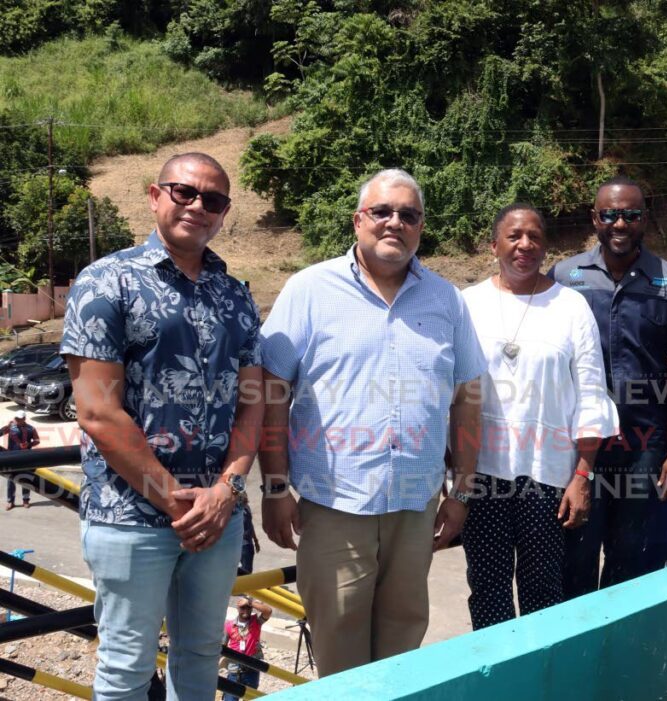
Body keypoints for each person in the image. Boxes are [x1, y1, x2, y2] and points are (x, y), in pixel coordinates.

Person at [258, 168, 486, 675]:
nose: (394, 223)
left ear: (421, 227)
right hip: (335, 507)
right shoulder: (309, 290)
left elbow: (468, 398)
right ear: (357, 220)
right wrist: (275, 488)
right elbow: (269, 392)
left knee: (402, 650)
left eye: (408, 214)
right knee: (340, 658)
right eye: (381, 211)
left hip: (415, 509)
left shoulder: (446, 300)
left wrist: (462, 491)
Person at [62, 152, 264, 700]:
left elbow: (253, 403)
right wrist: (178, 501)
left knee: (200, 659)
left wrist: (228, 490)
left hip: (217, 519)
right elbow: (98, 411)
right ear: (155, 196)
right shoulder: (106, 282)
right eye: (184, 192)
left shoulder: (235, 294)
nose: (198, 206)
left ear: (225, 212)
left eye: (214, 199)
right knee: (126, 670)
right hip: (130, 517)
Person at [460, 204, 618, 629]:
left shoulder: (571, 307)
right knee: (488, 590)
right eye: (513, 236)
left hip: (549, 477)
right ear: (494, 245)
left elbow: (590, 394)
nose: (524, 245)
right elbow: (450, 392)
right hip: (482, 477)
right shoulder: (466, 304)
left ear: (545, 246)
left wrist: (582, 476)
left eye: (534, 236)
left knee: (544, 592)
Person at [549, 176, 667, 596]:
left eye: (631, 214)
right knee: (575, 554)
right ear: (594, 218)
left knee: (628, 556)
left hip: (643, 447)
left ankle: (613, 650)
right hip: (579, 443)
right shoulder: (564, 277)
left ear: (644, 219)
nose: (620, 223)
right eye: (610, 214)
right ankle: (578, 648)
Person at [222, 595, 272, 701]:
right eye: (242, 607)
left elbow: (268, 611)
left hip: (252, 669)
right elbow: (222, 647)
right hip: (234, 670)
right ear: (237, 608)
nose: (246, 610)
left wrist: (250, 601)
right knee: (230, 698)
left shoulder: (256, 622)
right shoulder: (229, 625)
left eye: (248, 607)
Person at [3, 410, 39, 510]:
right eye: (16, 418)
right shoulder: (11, 427)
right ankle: (10, 501)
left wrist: (30, 444)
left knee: (26, 479)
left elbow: (37, 440)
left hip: (25, 458)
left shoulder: (31, 429)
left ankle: (26, 500)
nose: (17, 420)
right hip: (12, 457)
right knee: (11, 480)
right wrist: (7, 426)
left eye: (20, 419)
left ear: (24, 419)